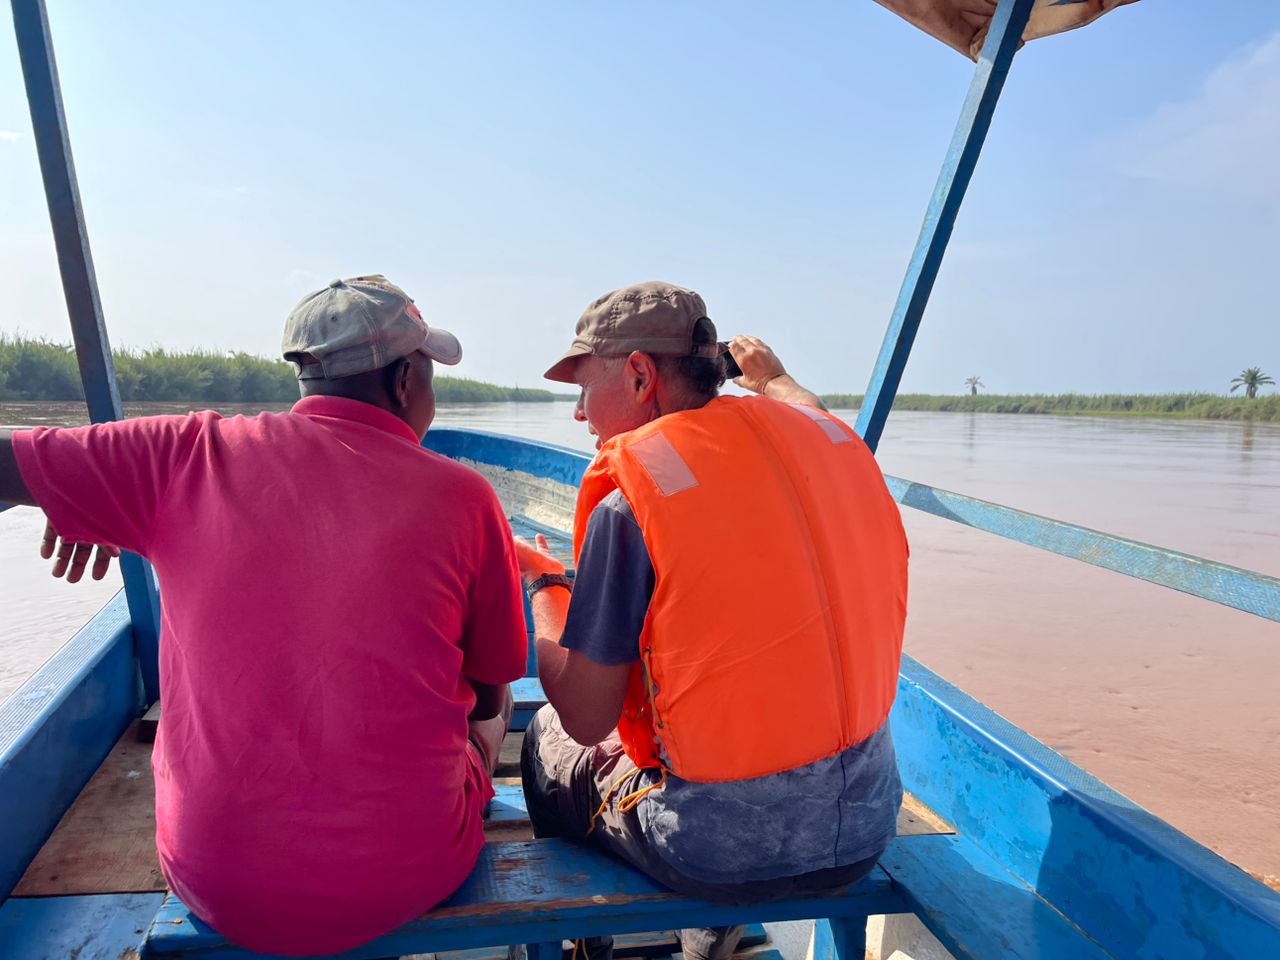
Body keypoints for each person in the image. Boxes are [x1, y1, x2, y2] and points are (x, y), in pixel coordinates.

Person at [0, 276, 527, 957]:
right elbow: (484, 691)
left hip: (216, 880)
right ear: (403, 382)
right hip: (405, 875)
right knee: (498, 699)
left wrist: (86, 501)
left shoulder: (180, 454)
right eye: (430, 376)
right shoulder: (465, 496)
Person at [515, 281, 908, 960]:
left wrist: (546, 585)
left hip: (716, 852)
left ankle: (586, 947)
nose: (578, 413)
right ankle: (709, 941)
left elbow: (585, 714)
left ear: (640, 375)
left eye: (584, 386)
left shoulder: (630, 502)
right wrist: (776, 379)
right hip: (865, 826)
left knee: (545, 740)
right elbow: (808, 409)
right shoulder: (833, 445)